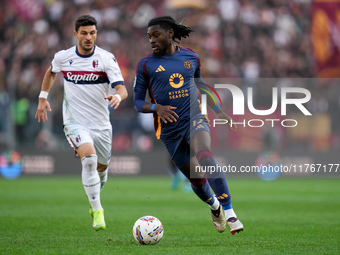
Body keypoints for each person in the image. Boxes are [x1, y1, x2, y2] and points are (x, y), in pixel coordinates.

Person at [133, 16, 243, 234]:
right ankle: (215, 206)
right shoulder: (146, 65)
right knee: (198, 180)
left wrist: (218, 109)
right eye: (149, 37)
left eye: (156, 35)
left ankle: (230, 213)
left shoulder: (191, 57)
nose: (152, 40)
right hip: (169, 130)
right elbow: (137, 102)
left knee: (205, 155)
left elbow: (201, 85)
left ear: (170, 33)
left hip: (195, 118)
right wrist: (156, 108)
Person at [35, 15, 127, 231]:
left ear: (96, 34)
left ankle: (93, 197)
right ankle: (98, 211)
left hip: (101, 124)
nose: (88, 37)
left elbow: (121, 88)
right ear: (75, 33)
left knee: (101, 169)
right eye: (84, 33)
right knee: (89, 160)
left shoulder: (106, 58)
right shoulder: (63, 57)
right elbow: (51, 72)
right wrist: (42, 97)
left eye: (92, 33)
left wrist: (118, 97)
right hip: (75, 122)